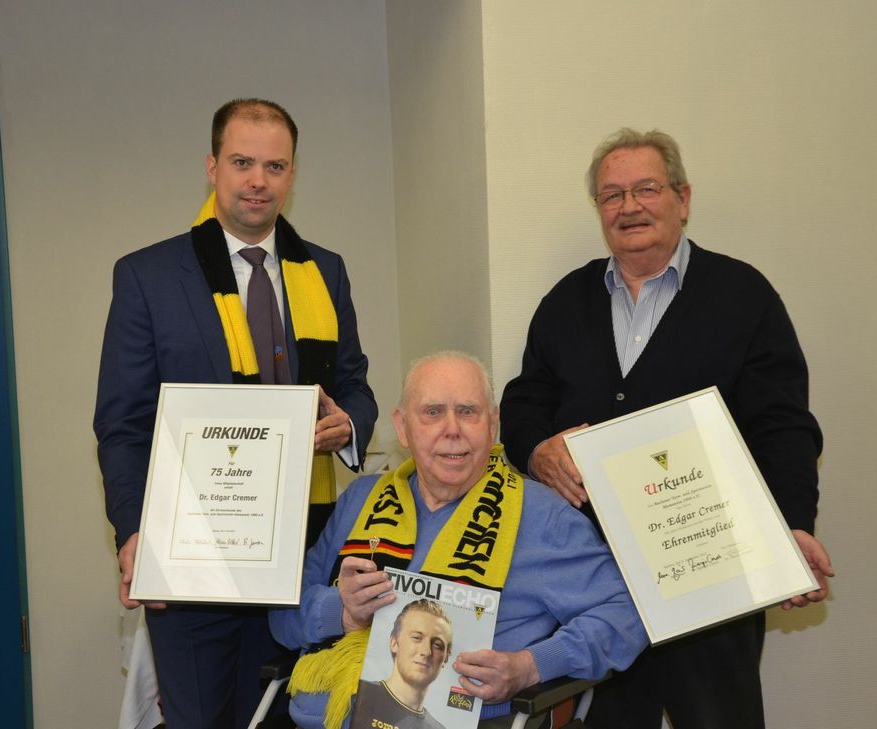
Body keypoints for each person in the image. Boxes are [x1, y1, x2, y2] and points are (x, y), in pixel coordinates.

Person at [499, 128, 835, 729]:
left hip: (710, 573)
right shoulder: (565, 301)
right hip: (593, 580)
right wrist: (536, 448)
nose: (629, 206)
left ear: (682, 198)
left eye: (646, 188)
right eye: (611, 195)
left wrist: (792, 527)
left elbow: (781, 424)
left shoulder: (743, 296)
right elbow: (525, 399)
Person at [94, 98, 378, 729]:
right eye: (242, 162)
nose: (258, 180)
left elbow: (356, 388)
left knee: (293, 715)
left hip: (306, 549)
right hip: (195, 551)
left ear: (292, 175)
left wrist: (349, 425)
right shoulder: (147, 276)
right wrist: (134, 532)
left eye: (275, 166)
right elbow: (123, 423)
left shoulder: (325, 272)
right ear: (212, 167)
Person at [270, 351, 647, 729]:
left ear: (493, 423)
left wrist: (530, 666)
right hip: (322, 718)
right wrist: (343, 611)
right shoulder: (360, 499)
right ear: (402, 427)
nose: (452, 429)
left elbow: (629, 611)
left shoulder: (541, 515)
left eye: (468, 411)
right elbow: (282, 611)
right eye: (432, 412)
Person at [351, 599, 453, 729]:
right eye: (416, 637)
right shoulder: (357, 695)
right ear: (394, 643)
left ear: (445, 659)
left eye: (437, 645)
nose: (426, 651)